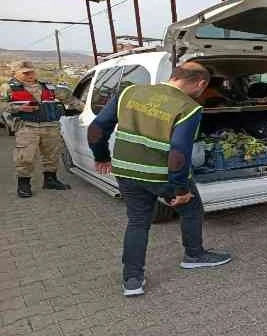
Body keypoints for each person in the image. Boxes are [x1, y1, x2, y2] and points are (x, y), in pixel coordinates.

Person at [88, 62, 232, 297]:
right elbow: (178, 153)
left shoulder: (129, 92)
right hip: (160, 175)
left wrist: (101, 156)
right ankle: (194, 255)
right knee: (192, 209)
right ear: (201, 83)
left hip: (126, 172)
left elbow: (96, 129)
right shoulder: (189, 108)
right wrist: (180, 189)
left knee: (137, 222)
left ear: (173, 75)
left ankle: (132, 280)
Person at [0, 60, 84, 198]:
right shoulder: (8, 88)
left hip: (50, 126)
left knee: (52, 154)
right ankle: (23, 184)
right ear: (15, 74)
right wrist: (19, 108)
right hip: (27, 126)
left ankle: (50, 180)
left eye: (32, 71)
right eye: (26, 73)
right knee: (25, 157)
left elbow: (71, 100)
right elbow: (2, 105)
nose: (30, 75)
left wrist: (90, 111)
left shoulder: (49, 87)